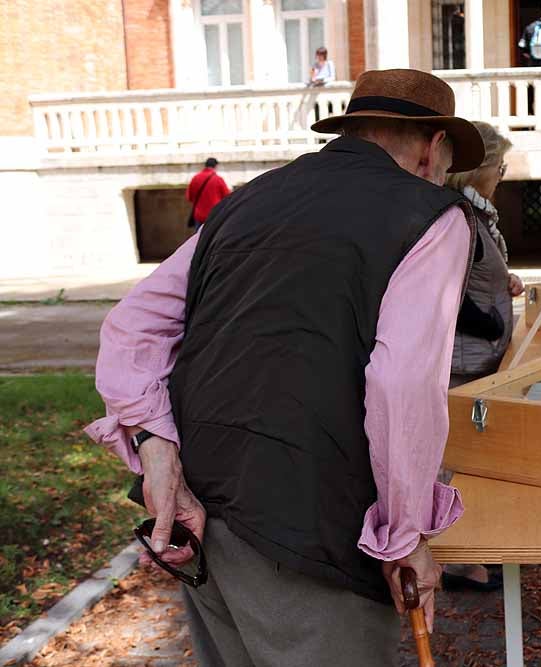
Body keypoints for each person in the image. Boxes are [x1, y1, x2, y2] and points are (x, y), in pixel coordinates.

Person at [84, 68, 486, 666]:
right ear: (433, 148)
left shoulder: (251, 196)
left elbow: (129, 326)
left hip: (204, 512)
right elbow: (402, 386)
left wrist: (155, 445)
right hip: (312, 534)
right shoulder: (433, 215)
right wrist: (404, 536)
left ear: (352, 130)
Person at [439, 122, 521, 592]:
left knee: (467, 459)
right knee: (456, 461)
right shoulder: (460, 218)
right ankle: (459, 561)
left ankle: (473, 553)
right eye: (500, 167)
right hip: (465, 361)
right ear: (477, 170)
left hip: (477, 360)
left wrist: (503, 283)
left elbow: (477, 275)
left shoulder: (477, 216)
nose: (503, 176)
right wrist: (488, 322)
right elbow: (446, 289)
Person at [185, 158, 230, 232]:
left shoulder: (195, 178)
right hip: (214, 216)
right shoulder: (218, 179)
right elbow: (227, 198)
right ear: (216, 166)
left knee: (198, 240)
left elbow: (189, 197)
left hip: (199, 216)